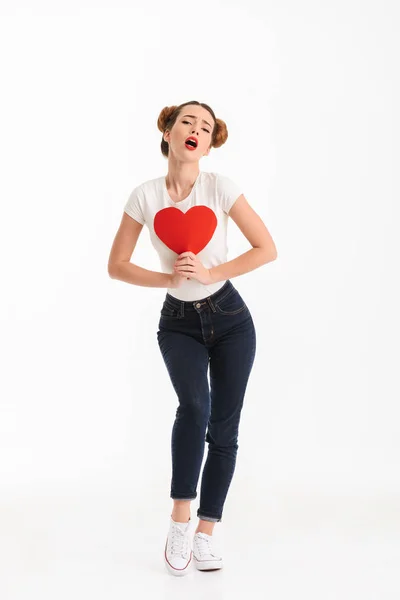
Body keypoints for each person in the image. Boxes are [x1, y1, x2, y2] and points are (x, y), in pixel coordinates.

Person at [108, 100, 278, 575]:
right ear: (168, 130)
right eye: (187, 121)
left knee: (224, 426)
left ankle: (206, 531)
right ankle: (179, 519)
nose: (196, 130)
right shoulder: (144, 196)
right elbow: (116, 265)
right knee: (194, 407)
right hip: (178, 322)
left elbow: (267, 248)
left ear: (209, 142)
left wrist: (210, 270)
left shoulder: (220, 188)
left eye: (205, 127)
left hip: (230, 319)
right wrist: (169, 281)